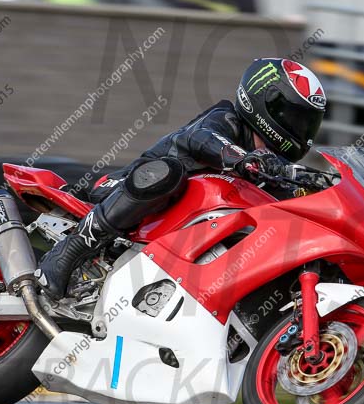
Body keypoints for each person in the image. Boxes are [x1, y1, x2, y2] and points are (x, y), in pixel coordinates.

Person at [35, 58, 327, 301]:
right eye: (295, 118)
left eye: (308, 123)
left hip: (178, 243)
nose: (301, 130)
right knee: (168, 174)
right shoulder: (226, 120)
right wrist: (240, 158)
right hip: (124, 189)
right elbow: (200, 138)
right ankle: (70, 251)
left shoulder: (273, 171)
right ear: (267, 103)